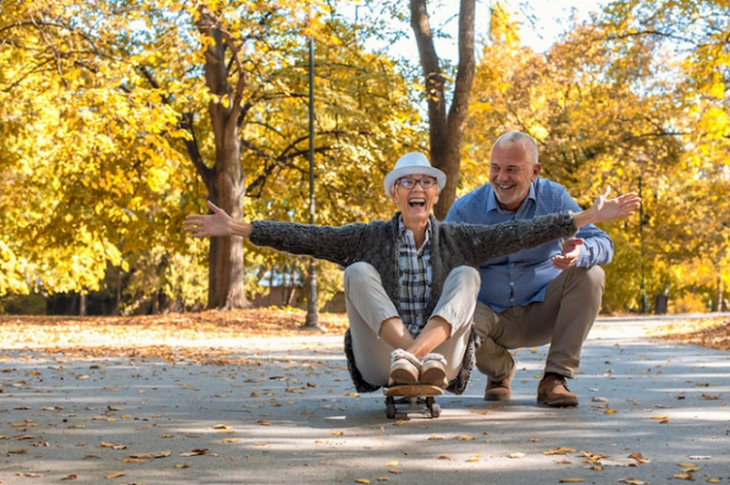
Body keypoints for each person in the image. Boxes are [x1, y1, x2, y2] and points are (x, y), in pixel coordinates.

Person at [185, 152, 639, 396]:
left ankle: (421, 358)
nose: (417, 188)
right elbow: (307, 236)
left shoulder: (460, 237)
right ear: (395, 195)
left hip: (443, 359)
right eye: (407, 182)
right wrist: (240, 228)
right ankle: (409, 355)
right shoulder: (368, 237)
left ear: (436, 195)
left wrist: (581, 217)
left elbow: (527, 232)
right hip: (384, 358)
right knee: (358, 271)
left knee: (466, 275)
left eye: (425, 182)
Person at [445, 131, 621, 407]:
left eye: (512, 169)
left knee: (591, 273)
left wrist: (580, 252)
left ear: (535, 171)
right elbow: (444, 269)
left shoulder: (553, 197)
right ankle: (500, 371)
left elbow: (603, 243)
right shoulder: (466, 209)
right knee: (451, 314)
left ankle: (555, 378)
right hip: (489, 315)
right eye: (495, 168)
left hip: (544, 309)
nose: (501, 178)